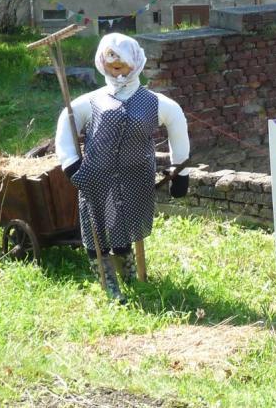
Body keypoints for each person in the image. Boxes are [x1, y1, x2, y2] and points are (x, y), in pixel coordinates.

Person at [56, 32, 190, 302]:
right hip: (96, 177)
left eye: (122, 59)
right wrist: (72, 165)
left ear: (135, 61)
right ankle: (108, 281)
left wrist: (180, 173)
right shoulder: (90, 102)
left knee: (127, 224)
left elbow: (178, 125)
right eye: (111, 59)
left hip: (136, 177)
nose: (116, 65)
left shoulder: (156, 103)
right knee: (97, 224)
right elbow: (64, 130)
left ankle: (129, 271)